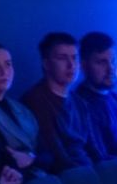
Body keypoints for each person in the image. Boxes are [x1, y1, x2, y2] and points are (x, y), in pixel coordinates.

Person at [21, 32, 92, 172]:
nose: (71, 65)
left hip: (88, 169)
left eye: (74, 58)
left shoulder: (80, 102)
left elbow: (90, 146)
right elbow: (54, 152)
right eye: (62, 58)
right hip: (65, 177)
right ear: (46, 64)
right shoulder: (35, 100)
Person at [0, 42, 45, 170]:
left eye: (8, 64)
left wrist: (31, 158)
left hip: (38, 172)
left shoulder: (21, 108)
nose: (4, 71)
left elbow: (45, 150)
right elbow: (0, 155)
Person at [73, 31, 117, 162]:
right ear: (84, 66)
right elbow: (100, 158)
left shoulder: (114, 98)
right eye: (101, 62)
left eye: (113, 61)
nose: (111, 69)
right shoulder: (80, 106)